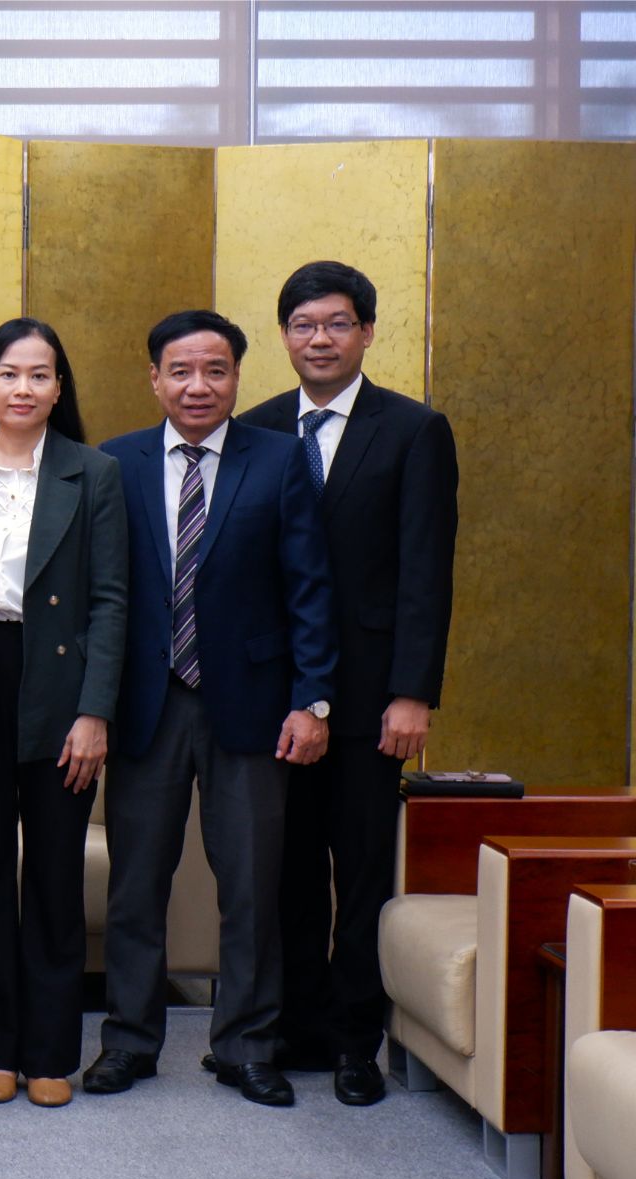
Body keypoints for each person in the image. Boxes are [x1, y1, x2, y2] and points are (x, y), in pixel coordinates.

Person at [83, 310, 335, 1108]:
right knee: (135, 884)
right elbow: (104, 595)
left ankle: (246, 1046)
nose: (199, 386)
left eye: (216, 371)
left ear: (236, 377)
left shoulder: (282, 459)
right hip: (145, 704)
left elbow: (310, 589)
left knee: (253, 887)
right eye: (182, 372)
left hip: (254, 707)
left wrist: (313, 701)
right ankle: (128, 1040)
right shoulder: (112, 464)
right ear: (155, 379)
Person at [237, 261, 458, 1106]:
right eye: (302, 324)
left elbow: (424, 572)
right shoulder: (254, 429)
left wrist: (414, 692)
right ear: (284, 336)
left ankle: (355, 1041)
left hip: (373, 699)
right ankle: (295, 1022)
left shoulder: (412, 430)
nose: (319, 339)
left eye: (336, 323)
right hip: (276, 696)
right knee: (284, 867)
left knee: (360, 867)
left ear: (367, 331)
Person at [0, 318, 127, 1109]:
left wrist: (94, 713)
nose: (23, 389)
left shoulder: (95, 473)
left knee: (53, 873)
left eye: (40, 375)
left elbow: (113, 601)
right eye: (9, 374)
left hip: (60, 682)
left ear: (59, 387)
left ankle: (51, 1049)